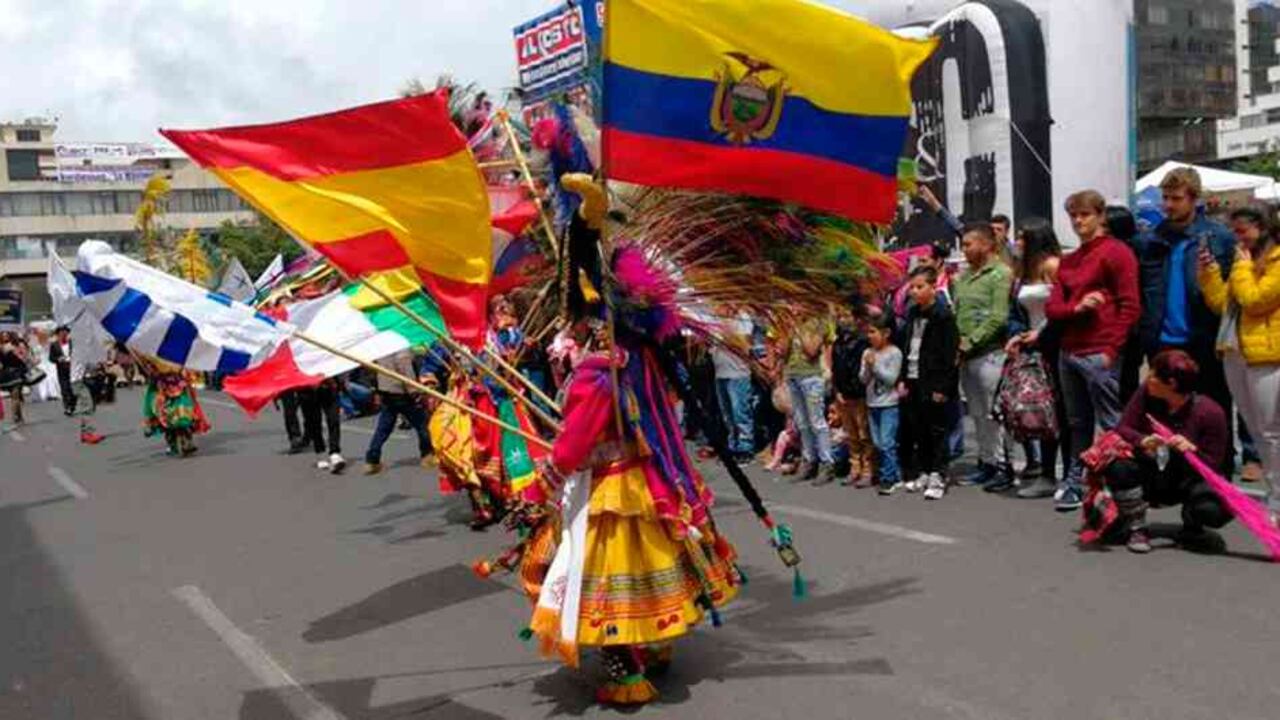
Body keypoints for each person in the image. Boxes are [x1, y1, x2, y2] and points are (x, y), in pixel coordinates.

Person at [1044, 190, 1140, 511]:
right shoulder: (1069, 260)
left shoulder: (1117, 253)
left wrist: (1113, 349)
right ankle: (1077, 479)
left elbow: (1130, 305)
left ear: (1100, 216)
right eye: (1073, 215)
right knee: (1077, 422)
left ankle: (1120, 483)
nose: (1078, 221)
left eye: (1084, 214)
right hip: (1070, 350)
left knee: (1111, 422)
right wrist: (1077, 307)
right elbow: (1053, 308)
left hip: (1100, 350)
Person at [1136, 167, 1237, 472]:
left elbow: (1230, 291)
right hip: (1163, 341)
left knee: (1213, 410)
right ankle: (1179, 476)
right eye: (1165, 198)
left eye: (1175, 198)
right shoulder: (1151, 239)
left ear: (1194, 199)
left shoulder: (1218, 237)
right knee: (1168, 412)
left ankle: (1218, 477)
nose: (1167, 205)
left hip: (1203, 339)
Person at [1199, 206, 1280, 528]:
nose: (1237, 238)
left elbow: (1255, 299)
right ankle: (1273, 494)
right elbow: (1223, 303)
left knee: (1272, 432)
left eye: (1242, 230)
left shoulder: (1274, 261)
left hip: (1267, 356)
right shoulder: (1242, 261)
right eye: (1234, 231)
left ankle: (1277, 500)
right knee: (1258, 430)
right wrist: (1208, 274)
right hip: (1235, 352)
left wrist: (1243, 267)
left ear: (1263, 227)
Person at [1105, 350, 1232, 553]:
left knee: (1212, 508)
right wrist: (1143, 440)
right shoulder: (1146, 393)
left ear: (1171, 383)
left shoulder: (1210, 412)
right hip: (1151, 472)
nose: (1149, 378)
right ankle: (1136, 526)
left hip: (1186, 479)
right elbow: (1123, 427)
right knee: (1119, 468)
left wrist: (1193, 451)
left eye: (1154, 374)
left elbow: (1216, 465)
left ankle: (1193, 527)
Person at [1004, 217, 1066, 499]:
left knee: (1061, 411)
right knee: (1040, 410)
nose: (1017, 243)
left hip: (1056, 344)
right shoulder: (1021, 272)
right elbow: (1016, 312)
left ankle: (1067, 475)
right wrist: (1018, 334)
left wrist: (1041, 334)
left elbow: (1063, 309)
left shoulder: (1052, 265)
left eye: (1022, 238)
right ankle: (1045, 472)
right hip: (1030, 347)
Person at [952, 222, 1014, 488]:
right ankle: (986, 462)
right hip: (966, 357)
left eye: (968, 244)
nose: (964, 249)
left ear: (987, 244)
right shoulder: (963, 278)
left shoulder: (1001, 274)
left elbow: (998, 318)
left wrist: (971, 341)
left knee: (994, 413)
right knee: (976, 413)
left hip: (991, 354)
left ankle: (1004, 465)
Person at [896, 266, 960, 500]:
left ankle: (938, 473)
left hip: (934, 381)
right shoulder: (912, 313)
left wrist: (943, 388)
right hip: (913, 378)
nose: (914, 291)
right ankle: (924, 469)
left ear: (934, 287)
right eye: (911, 287)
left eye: (920, 287)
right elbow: (906, 348)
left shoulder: (943, 316)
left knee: (937, 430)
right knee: (918, 427)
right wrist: (903, 378)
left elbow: (950, 356)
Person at [779, 313, 837, 483]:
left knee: (817, 421)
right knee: (802, 422)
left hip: (812, 377)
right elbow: (783, 351)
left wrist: (799, 326)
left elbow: (811, 349)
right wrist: (787, 330)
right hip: (793, 375)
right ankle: (809, 460)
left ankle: (827, 463)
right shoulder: (789, 322)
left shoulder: (818, 322)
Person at [363, 350, 433, 475]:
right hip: (402, 393)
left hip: (387, 391)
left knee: (383, 429)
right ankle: (427, 455)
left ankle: (372, 460)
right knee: (422, 424)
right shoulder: (401, 350)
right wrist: (414, 392)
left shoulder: (383, 349)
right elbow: (406, 371)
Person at [859, 313, 903, 494]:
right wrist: (868, 367)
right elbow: (863, 379)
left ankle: (889, 478)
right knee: (878, 443)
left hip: (889, 404)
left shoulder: (894, 353)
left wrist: (875, 365)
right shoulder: (867, 352)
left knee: (887, 442)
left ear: (886, 333)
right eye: (868, 332)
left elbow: (891, 379)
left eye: (873, 332)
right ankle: (895, 472)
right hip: (872, 403)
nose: (870, 336)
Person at [830, 304, 874, 486]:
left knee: (864, 434)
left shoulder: (862, 343)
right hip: (843, 395)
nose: (843, 320)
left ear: (856, 319)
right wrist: (838, 391)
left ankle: (868, 469)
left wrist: (856, 391)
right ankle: (854, 467)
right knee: (851, 435)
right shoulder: (838, 343)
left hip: (859, 394)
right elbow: (835, 369)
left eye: (846, 315)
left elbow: (862, 371)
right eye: (840, 316)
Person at [711, 310, 757, 464]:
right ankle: (732, 446)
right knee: (727, 415)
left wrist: (726, 332)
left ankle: (745, 447)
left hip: (738, 374)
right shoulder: (717, 317)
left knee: (740, 413)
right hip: (720, 372)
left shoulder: (743, 317)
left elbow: (745, 346)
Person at [142, 363, 210, 456]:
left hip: (179, 383)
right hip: (162, 385)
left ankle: (188, 438)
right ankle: (155, 427)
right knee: (156, 406)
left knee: (188, 407)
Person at [300, 379, 345, 473]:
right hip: (307, 388)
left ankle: (334, 452)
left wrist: (337, 382)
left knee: (334, 419)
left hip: (328, 385)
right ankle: (320, 453)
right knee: (314, 422)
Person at [0, 331, 31, 425]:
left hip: (17, 372)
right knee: (15, 396)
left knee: (16, 395)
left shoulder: (15, 345)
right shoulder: (3, 347)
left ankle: (16, 417)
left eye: (7, 336)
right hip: (7, 374)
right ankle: (18, 417)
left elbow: (24, 357)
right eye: (3, 336)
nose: (5, 337)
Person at [48, 326, 76, 416]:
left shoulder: (72, 343)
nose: (64, 334)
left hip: (73, 368)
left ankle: (72, 403)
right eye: (61, 332)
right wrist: (58, 359)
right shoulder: (54, 345)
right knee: (64, 388)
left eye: (65, 332)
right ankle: (67, 407)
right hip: (62, 369)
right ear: (58, 334)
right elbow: (51, 358)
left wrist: (73, 358)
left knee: (72, 388)